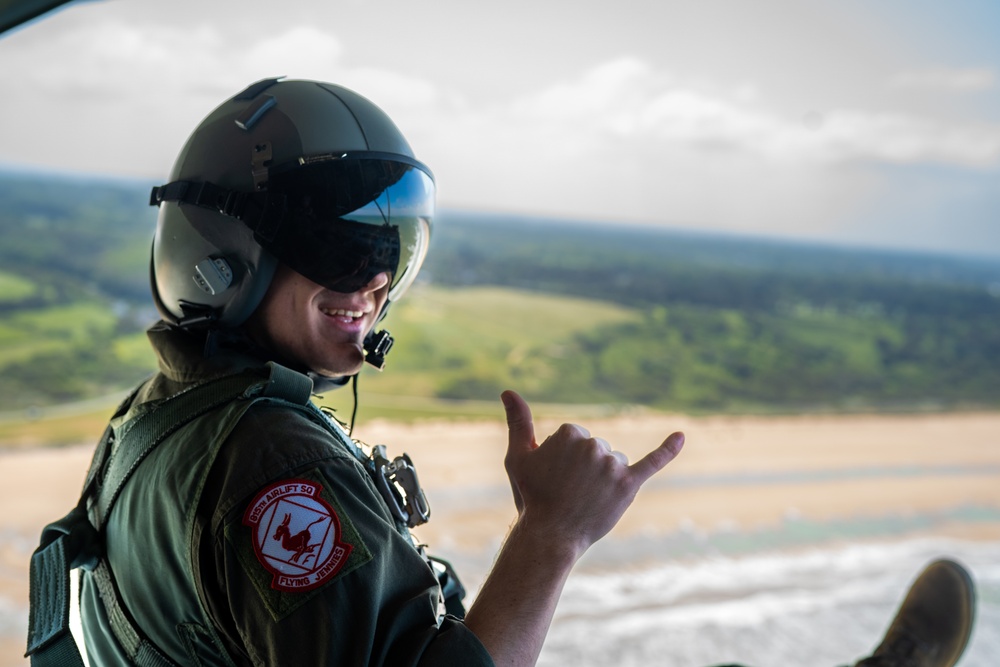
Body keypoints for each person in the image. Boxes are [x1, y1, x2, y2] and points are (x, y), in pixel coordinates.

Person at [26, 78, 975, 667]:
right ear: (228, 254)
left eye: (392, 250)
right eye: (341, 246)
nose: (376, 279)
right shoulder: (272, 459)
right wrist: (553, 537)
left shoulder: (158, 415)